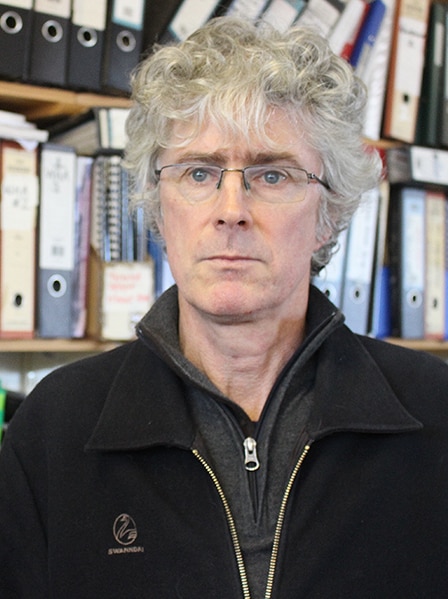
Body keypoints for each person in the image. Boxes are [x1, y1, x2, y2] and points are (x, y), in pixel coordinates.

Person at [0, 16, 447, 599]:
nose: (230, 208)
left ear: (329, 213)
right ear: (158, 208)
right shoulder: (55, 430)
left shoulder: (436, 415)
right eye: (200, 172)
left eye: (272, 173)